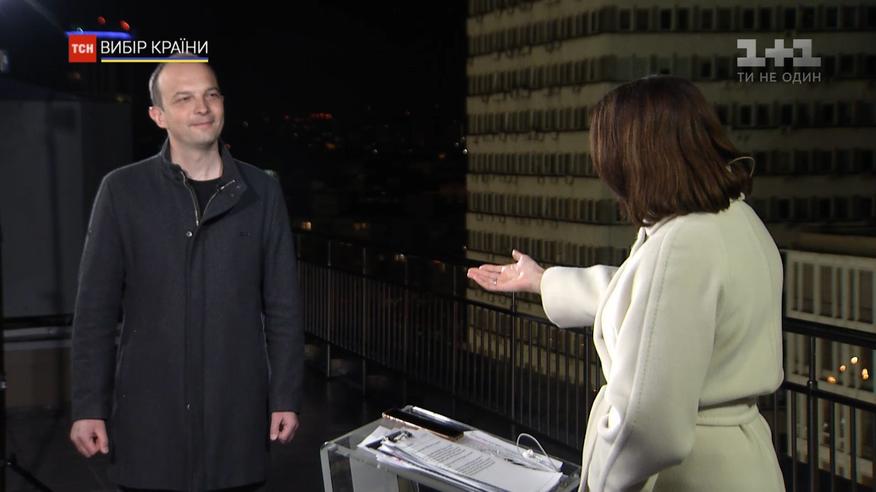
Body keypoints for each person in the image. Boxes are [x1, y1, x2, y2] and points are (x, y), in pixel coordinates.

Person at [467, 75, 785, 491]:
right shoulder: (735, 219)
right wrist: (542, 280)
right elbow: (646, 296)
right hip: (740, 465)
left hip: (692, 477)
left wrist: (601, 482)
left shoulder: (684, 243)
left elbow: (647, 425)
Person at [69, 58, 304, 491]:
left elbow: (283, 305)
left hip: (236, 417)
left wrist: (286, 396)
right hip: (148, 419)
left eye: (211, 94)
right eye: (184, 98)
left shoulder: (262, 192)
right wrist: (88, 405)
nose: (202, 107)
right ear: (157, 115)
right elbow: (94, 310)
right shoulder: (122, 191)